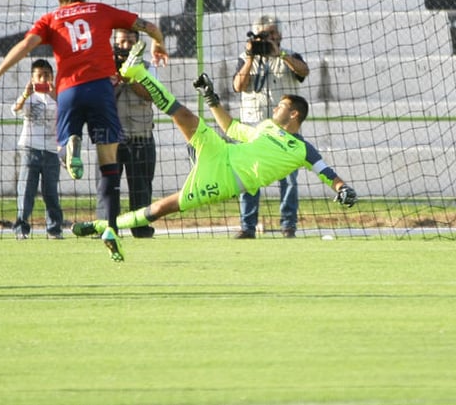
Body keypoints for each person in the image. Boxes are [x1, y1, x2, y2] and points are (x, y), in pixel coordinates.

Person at [72, 43, 357, 262]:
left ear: (294, 114)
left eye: (281, 106)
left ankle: (101, 226)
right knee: (182, 114)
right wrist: (211, 99)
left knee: (160, 209)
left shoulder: (303, 149)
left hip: (224, 181)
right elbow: (231, 127)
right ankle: (138, 73)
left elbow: (327, 174)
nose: (275, 109)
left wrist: (343, 189)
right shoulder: (267, 126)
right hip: (222, 152)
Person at [0, 0, 167, 236]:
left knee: (64, 149)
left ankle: (69, 146)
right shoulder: (101, 10)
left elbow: (25, 46)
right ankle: (110, 228)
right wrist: (158, 43)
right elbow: (148, 27)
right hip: (101, 90)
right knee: (108, 159)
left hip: (68, 90)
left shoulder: (50, 19)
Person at [232, 15, 309, 239]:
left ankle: (288, 225)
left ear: (281, 35)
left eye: (273, 33)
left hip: (284, 131)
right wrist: (249, 57)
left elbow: (304, 71)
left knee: (289, 179)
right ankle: (247, 226)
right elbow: (238, 86)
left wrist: (280, 53)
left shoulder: (291, 55)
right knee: (249, 178)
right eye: (265, 34)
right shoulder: (245, 58)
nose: (270, 38)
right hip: (253, 128)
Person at [103, 29, 156, 239]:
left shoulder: (148, 67)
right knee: (108, 188)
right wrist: (115, 77)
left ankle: (141, 229)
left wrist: (131, 77)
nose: (125, 46)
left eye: (130, 41)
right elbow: (101, 97)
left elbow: (151, 95)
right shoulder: (104, 69)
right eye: (121, 41)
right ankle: (107, 227)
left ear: (137, 44)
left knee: (142, 187)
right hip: (110, 138)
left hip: (140, 136)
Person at [10, 58, 64, 240]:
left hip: (51, 151)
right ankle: (21, 229)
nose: (43, 79)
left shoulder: (59, 97)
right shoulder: (30, 97)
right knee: (26, 191)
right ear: (32, 79)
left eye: (47, 75)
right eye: (39, 76)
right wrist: (25, 94)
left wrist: (54, 93)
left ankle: (54, 229)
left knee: (51, 192)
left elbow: (66, 112)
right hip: (29, 150)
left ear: (52, 77)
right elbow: (16, 109)